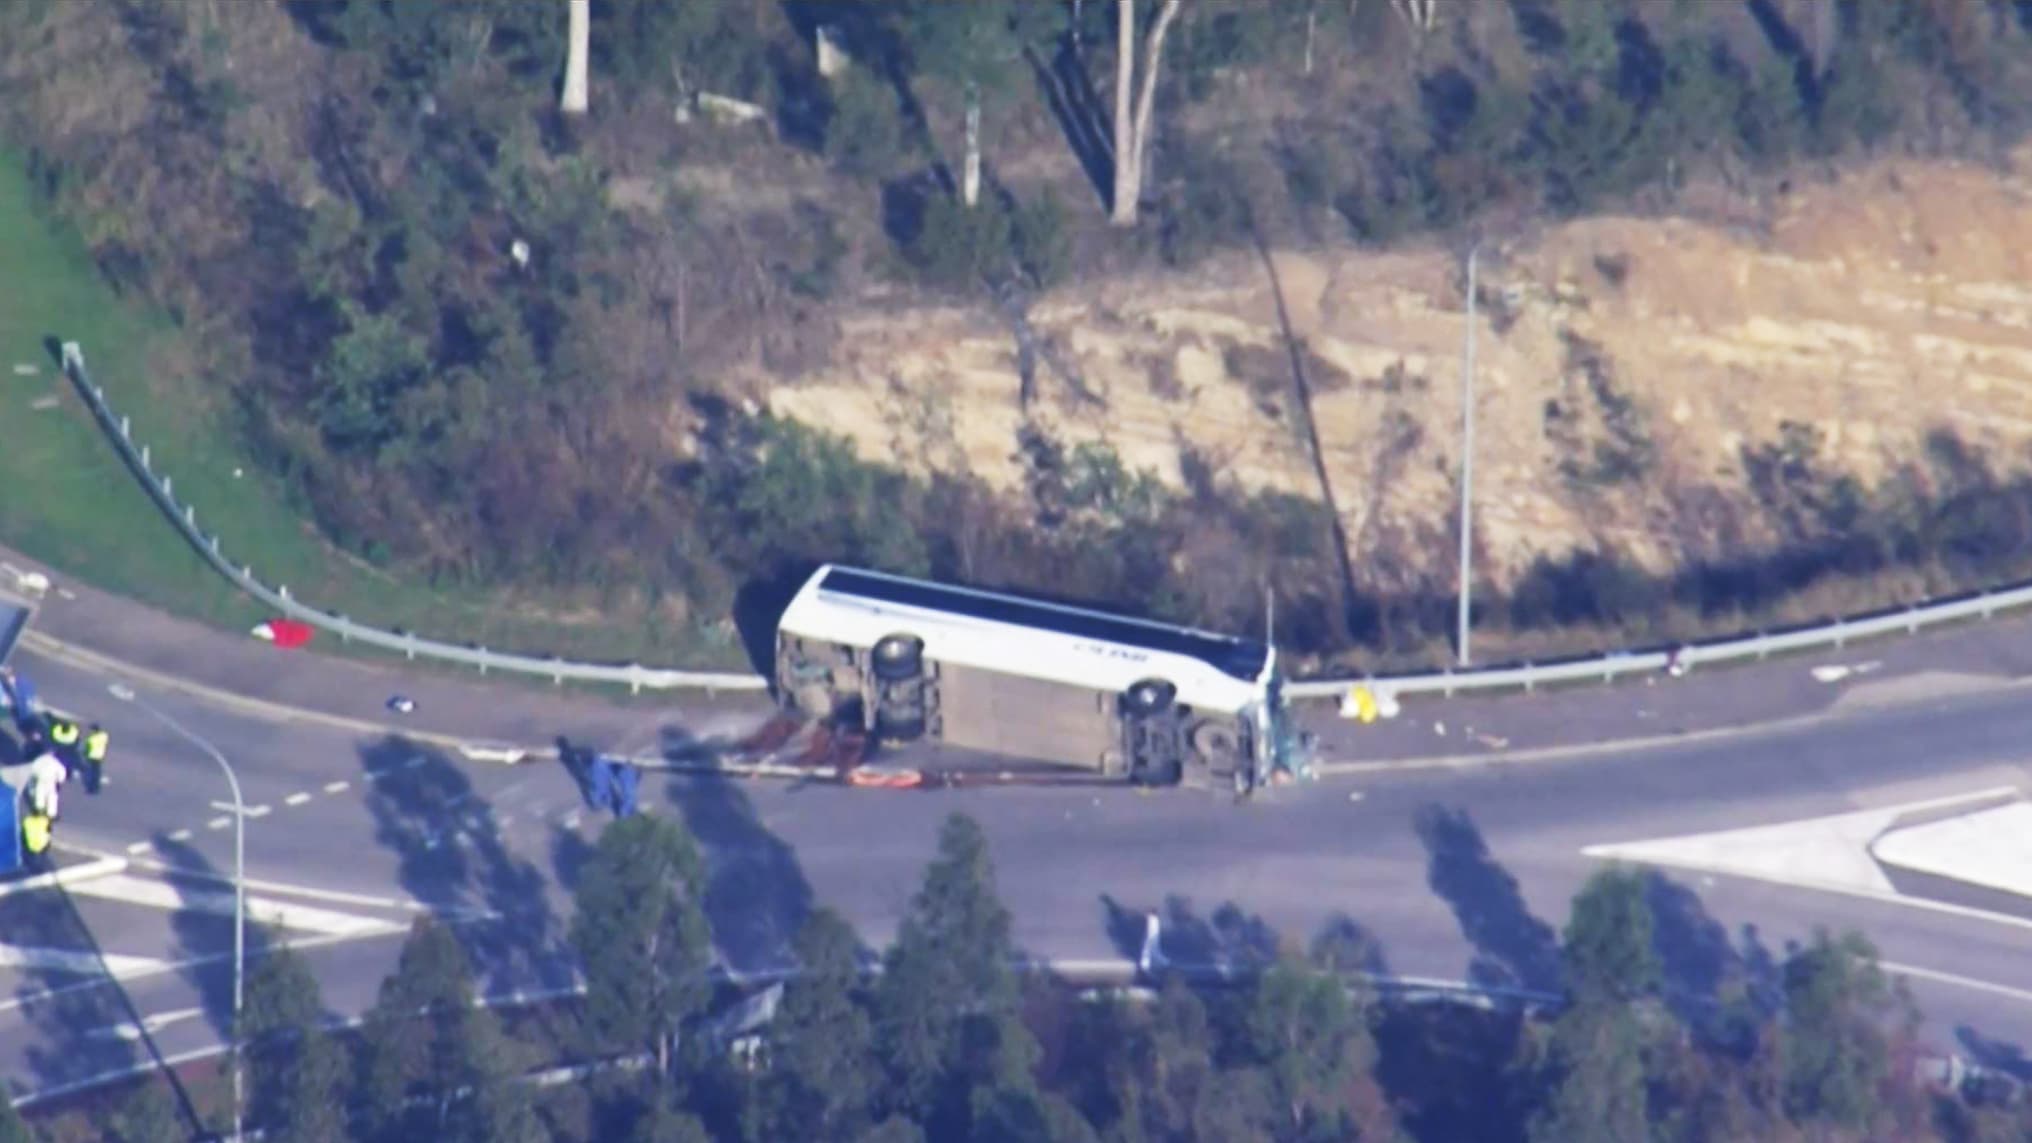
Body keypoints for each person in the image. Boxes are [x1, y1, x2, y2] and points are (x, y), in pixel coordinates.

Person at [81, 724, 110, 794]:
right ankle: (96, 788)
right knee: (97, 773)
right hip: (100, 756)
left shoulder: (91, 739)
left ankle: (91, 789)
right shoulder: (104, 736)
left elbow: (86, 749)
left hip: (92, 757)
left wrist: (84, 754)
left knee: (91, 773)